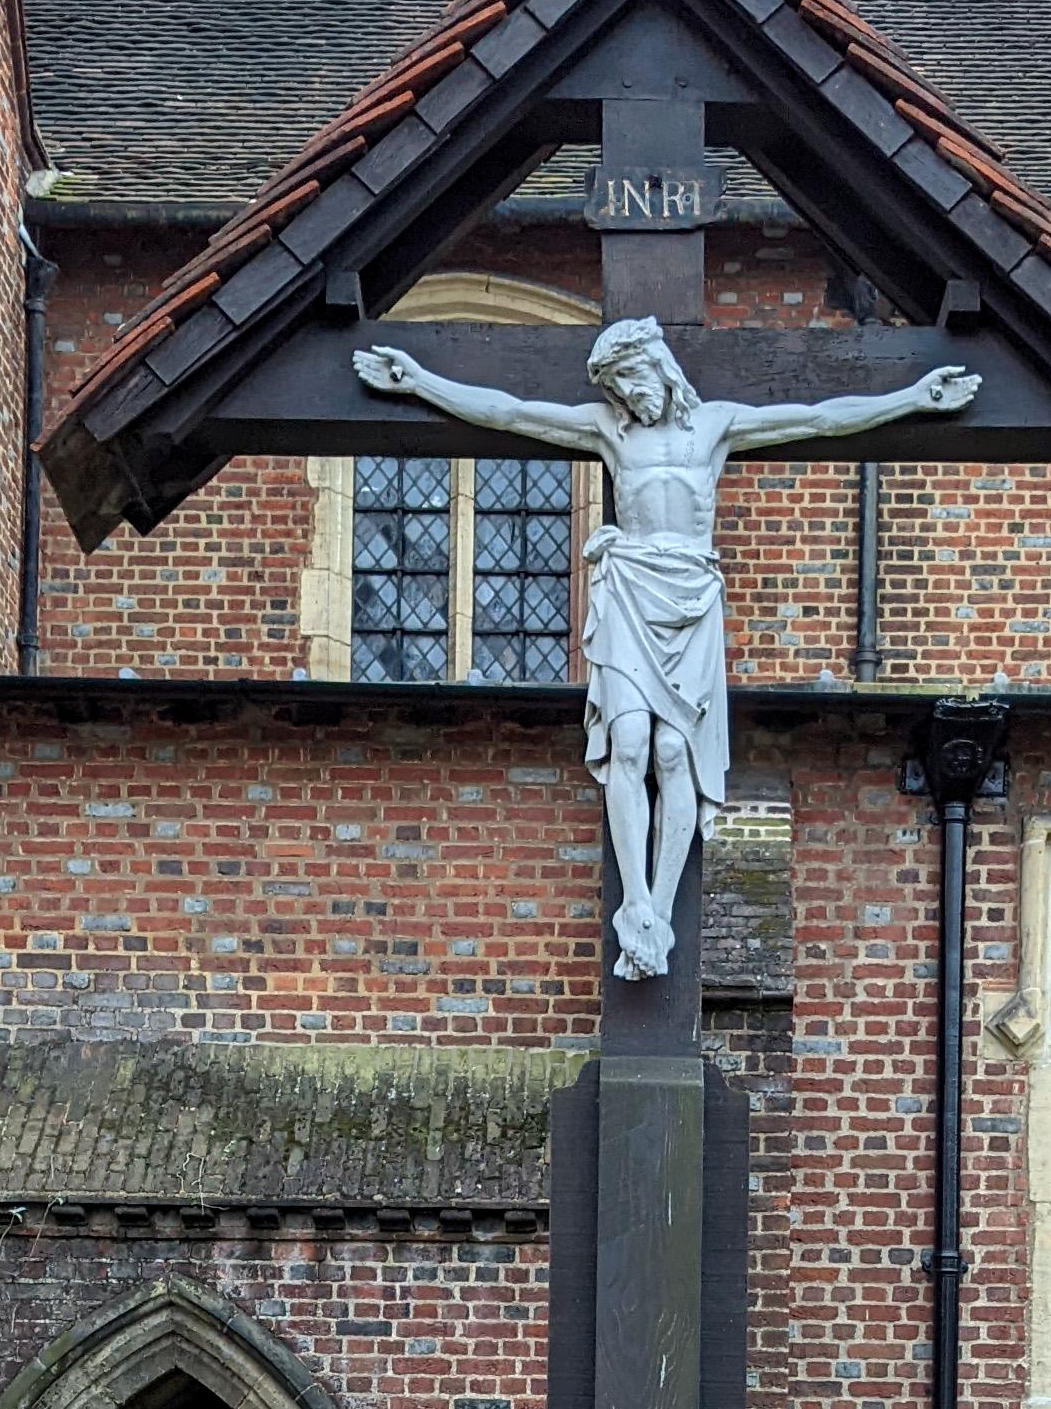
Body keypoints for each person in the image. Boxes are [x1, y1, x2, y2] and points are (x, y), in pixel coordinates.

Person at [354, 317, 978, 978]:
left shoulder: (714, 426)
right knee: (628, 742)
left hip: (690, 597)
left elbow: (821, 419)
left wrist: (913, 399)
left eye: (630, 379)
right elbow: (509, 413)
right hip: (629, 588)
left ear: (658, 366)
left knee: (674, 750)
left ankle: (659, 900)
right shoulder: (610, 430)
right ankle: (636, 901)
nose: (626, 396)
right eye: (616, 387)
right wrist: (419, 383)